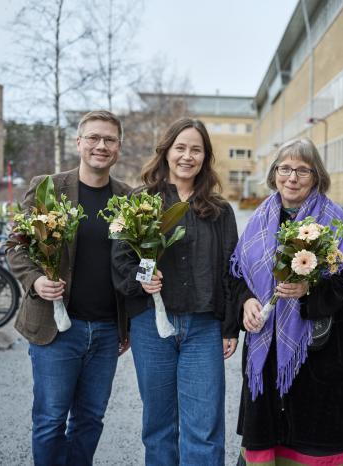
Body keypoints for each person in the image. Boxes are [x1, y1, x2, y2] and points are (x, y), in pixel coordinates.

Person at [111, 117, 239, 465]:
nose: (187, 156)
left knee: (204, 428)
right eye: (180, 147)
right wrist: (143, 276)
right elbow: (121, 260)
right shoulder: (140, 202)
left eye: (196, 149)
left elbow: (232, 269)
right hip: (152, 327)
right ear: (166, 152)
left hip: (203, 328)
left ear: (205, 157)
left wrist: (229, 326)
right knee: (159, 426)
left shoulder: (219, 210)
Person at [7, 110, 131, 466]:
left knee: (90, 420)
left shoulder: (127, 197)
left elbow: (131, 262)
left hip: (107, 331)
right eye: (93, 137)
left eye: (109, 139)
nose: (101, 145)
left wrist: (129, 324)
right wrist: (36, 280)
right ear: (78, 143)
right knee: (50, 421)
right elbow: (16, 246)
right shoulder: (48, 188)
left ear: (118, 148)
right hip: (56, 328)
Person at [230, 138, 343, 466]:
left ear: (316, 176)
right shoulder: (259, 220)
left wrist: (310, 292)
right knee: (268, 428)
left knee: (315, 432)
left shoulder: (334, 220)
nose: (292, 177)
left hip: (317, 346)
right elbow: (238, 274)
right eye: (284, 168)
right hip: (266, 343)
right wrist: (246, 302)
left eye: (302, 170)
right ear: (274, 173)